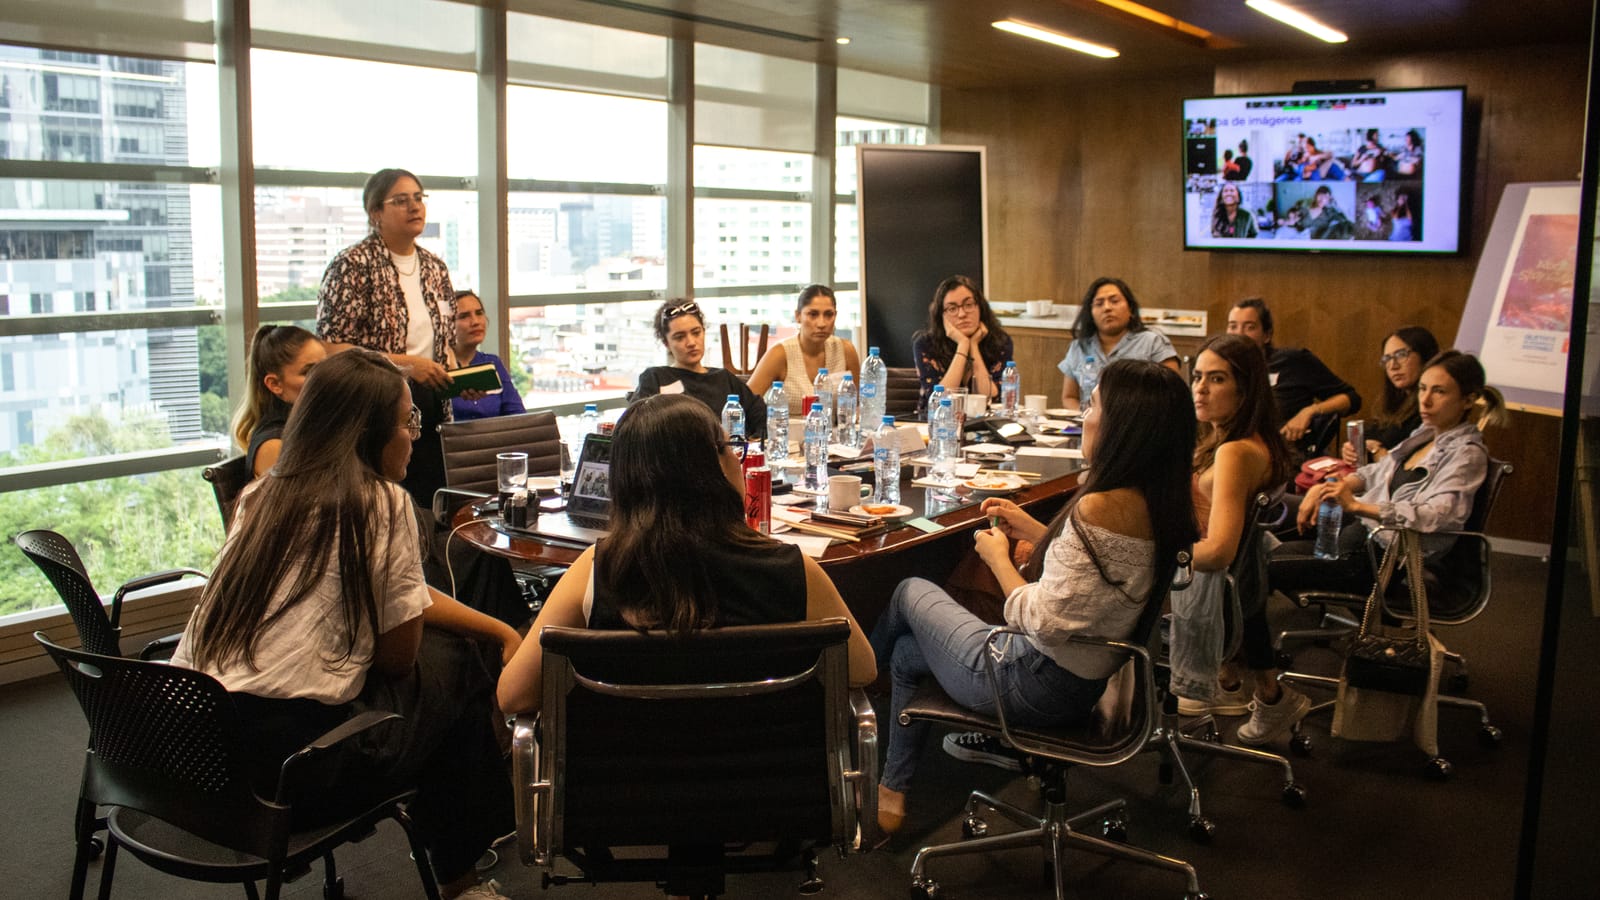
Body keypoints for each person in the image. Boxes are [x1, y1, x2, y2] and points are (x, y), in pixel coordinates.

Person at [171, 349, 522, 900]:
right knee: (451, 668)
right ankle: (463, 874)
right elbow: (397, 659)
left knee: (457, 655)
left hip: (195, 756)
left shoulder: (262, 495)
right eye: (408, 421)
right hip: (292, 771)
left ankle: (466, 843)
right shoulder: (380, 503)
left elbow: (401, 591)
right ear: (368, 433)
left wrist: (498, 630)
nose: (414, 434)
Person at [871, 360, 1197, 834]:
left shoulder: (1100, 505)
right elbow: (1097, 577)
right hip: (1085, 677)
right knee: (907, 653)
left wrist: (997, 556)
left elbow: (1041, 620)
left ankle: (845, 696)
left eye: (1093, 404)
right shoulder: (1157, 499)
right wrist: (1039, 532)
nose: (1084, 415)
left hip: (1030, 680)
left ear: (1123, 427)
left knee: (908, 590)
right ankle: (892, 790)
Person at [497, 393, 874, 715]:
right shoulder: (794, 570)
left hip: (625, 788)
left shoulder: (598, 571)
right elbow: (862, 670)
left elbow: (513, 695)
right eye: (732, 448)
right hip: (769, 788)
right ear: (714, 467)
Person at [1272, 350, 1506, 597]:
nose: (1424, 400)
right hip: (1358, 540)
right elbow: (1374, 473)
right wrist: (1330, 486)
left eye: (1439, 391)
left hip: (1381, 562)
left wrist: (1356, 507)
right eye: (1423, 389)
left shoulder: (1467, 455)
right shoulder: (1425, 435)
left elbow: (1438, 515)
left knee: (1263, 568)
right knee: (1267, 552)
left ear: (1468, 400)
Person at [1170, 334, 1301, 746]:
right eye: (1197, 377)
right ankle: (1257, 689)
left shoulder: (1234, 453)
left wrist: (1160, 556)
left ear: (1245, 391)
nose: (1200, 389)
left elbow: (1221, 549)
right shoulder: (1236, 441)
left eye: (1217, 379)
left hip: (1205, 581)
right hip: (1235, 587)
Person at [317, 167, 467, 506]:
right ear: (375, 213)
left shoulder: (434, 267)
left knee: (429, 508)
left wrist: (456, 378)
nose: (414, 207)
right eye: (401, 201)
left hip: (431, 409)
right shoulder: (352, 265)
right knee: (386, 504)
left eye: (418, 198)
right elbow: (331, 350)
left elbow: (443, 343)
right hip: (376, 410)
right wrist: (407, 365)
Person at [1227, 297, 1361, 460]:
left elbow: (1351, 398)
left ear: (1267, 335)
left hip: (1284, 457)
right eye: (1233, 326)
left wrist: (1310, 411)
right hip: (1233, 452)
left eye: (1249, 327)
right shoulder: (1222, 369)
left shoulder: (1294, 361)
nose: (1239, 334)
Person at [631, 298, 766, 439]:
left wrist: (752, 444)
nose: (691, 342)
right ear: (667, 344)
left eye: (696, 333)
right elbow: (634, 429)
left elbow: (763, 418)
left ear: (704, 332)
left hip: (728, 457)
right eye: (679, 337)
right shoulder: (655, 378)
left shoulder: (724, 379)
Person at [1057, 277, 1179, 410]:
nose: (1107, 308)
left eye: (1114, 301)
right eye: (1099, 303)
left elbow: (1173, 393)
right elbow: (1069, 397)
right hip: (1089, 425)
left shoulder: (1153, 342)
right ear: (1090, 313)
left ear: (1131, 309)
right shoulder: (1079, 347)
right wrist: (1088, 418)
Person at [746, 283, 862, 416]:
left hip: (834, 433)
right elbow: (745, 404)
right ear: (798, 316)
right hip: (785, 433)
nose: (821, 323)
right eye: (813, 314)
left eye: (828, 315)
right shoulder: (779, 354)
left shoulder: (846, 350)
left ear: (835, 316)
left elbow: (858, 402)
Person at [232, 324, 326, 479]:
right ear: (275, 384)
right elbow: (298, 502)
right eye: (309, 372)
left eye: (324, 367)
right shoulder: (273, 446)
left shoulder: (310, 426)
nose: (323, 378)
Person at [911, 275, 1012, 412]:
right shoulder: (925, 343)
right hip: (937, 426)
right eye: (952, 309)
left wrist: (973, 346)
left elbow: (992, 397)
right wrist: (963, 344)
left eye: (969, 305)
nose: (962, 314)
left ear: (980, 307)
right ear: (942, 315)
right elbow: (940, 400)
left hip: (984, 425)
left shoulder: (1000, 341)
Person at [1342, 326, 1441, 465]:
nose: (1393, 366)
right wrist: (1351, 450)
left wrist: (1377, 451)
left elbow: (1410, 467)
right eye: (1387, 358)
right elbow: (1371, 436)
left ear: (1425, 356)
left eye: (1401, 355)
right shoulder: (1394, 402)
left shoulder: (1430, 409)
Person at [449, 289, 526, 421]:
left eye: (479, 313)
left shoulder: (492, 363)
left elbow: (518, 416)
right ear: (447, 325)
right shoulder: (437, 368)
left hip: (494, 440)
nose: (475, 322)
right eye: (464, 316)